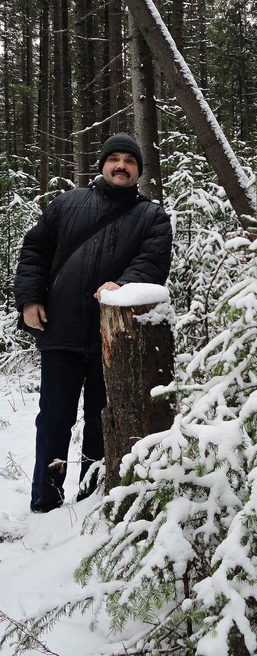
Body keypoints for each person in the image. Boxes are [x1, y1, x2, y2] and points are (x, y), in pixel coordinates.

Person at [13, 133, 173, 513]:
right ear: (102, 165)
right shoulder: (66, 205)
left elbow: (152, 262)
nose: (121, 165)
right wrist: (30, 298)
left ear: (138, 170)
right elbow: (34, 250)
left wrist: (123, 284)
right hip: (62, 332)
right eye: (114, 159)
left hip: (114, 339)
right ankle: (46, 501)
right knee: (54, 419)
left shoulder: (152, 217)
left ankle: (93, 499)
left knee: (105, 421)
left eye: (129, 161)